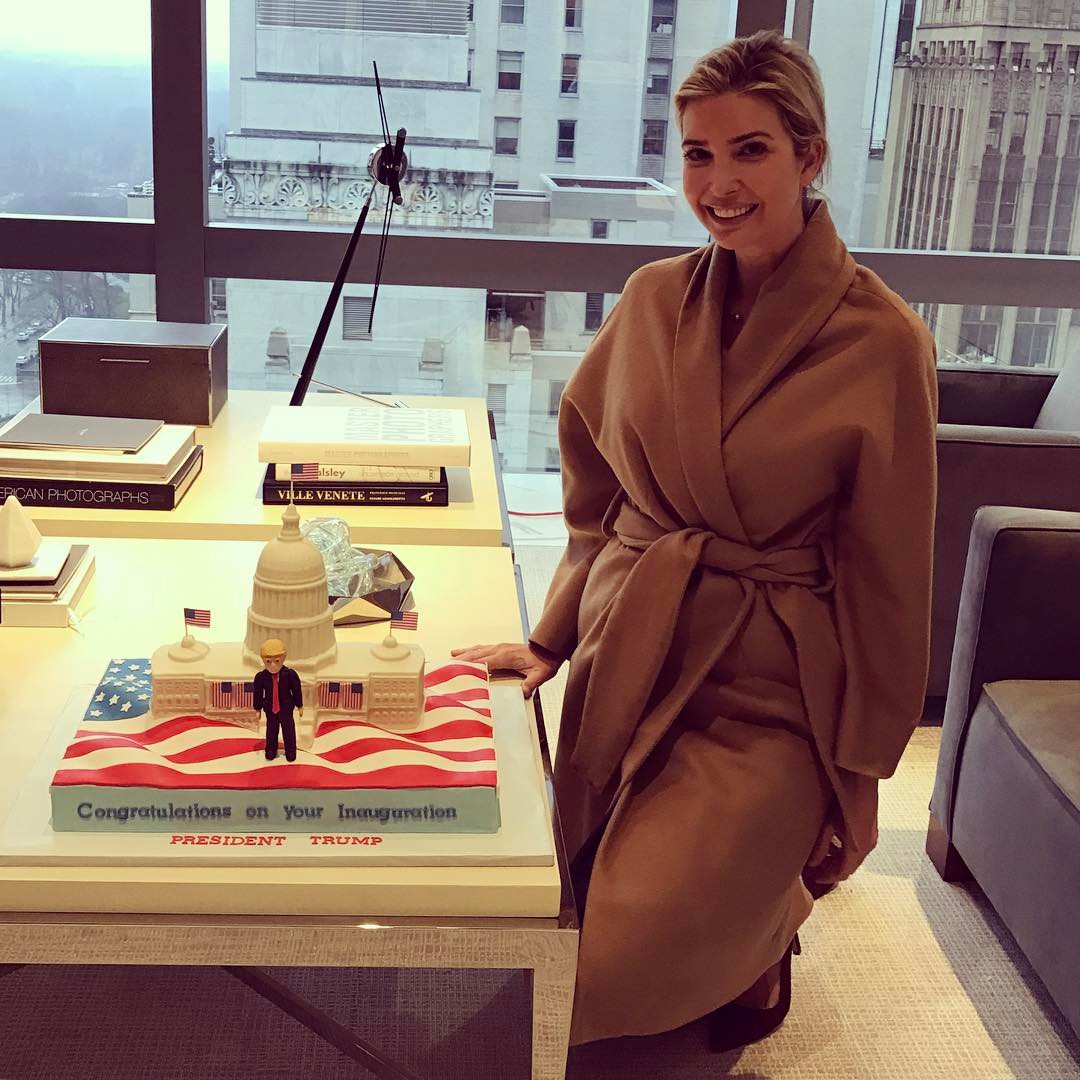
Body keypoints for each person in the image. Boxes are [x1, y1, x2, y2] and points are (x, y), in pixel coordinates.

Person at [453, 30, 937, 1049]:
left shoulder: (883, 339)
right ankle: (748, 926)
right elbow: (594, 486)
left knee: (595, 970)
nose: (719, 184)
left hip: (772, 691)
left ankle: (764, 920)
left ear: (810, 157)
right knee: (528, 908)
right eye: (698, 154)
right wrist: (551, 638)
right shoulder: (651, 300)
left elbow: (889, 577)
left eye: (750, 150)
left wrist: (860, 776)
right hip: (635, 653)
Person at [252, 638, 304, 762]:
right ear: (263, 660)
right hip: (271, 709)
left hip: (286, 709)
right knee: (271, 730)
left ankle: (290, 750)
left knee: (288, 730)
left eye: (277, 661)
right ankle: (270, 749)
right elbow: (258, 693)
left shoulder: (290, 674)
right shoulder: (261, 677)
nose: (273, 665)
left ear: (283, 658)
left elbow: (296, 690)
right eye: (268, 661)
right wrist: (258, 708)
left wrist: (300, 705)